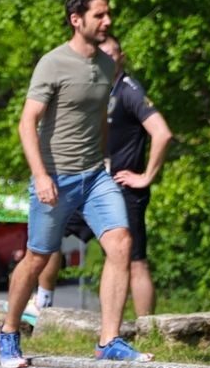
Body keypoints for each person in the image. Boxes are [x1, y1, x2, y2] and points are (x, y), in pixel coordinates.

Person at [0, 0, 151, 368]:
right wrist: (41, 175)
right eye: (99, 15)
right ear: (76, 20)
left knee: (121, 242)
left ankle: (109, 340)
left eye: (108, 14)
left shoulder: (105, 64)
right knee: (37, 257)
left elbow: (99, 116)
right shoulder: (52, 64)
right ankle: (9, 332)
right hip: (54, 175)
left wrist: (103, 159)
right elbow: (27, 122)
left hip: (94, 176)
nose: (108, 21)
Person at [22, 34, 173, 320]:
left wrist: (145, 176)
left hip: (120, 187)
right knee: (49, 241)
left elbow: (162, 133)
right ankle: (42, 305)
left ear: (122, 58)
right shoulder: (96, 89)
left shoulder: (129, 90)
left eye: (113, 53)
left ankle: (147, 328)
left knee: (134, 258)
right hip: (87, 180)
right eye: (103, 53)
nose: (108, 58)